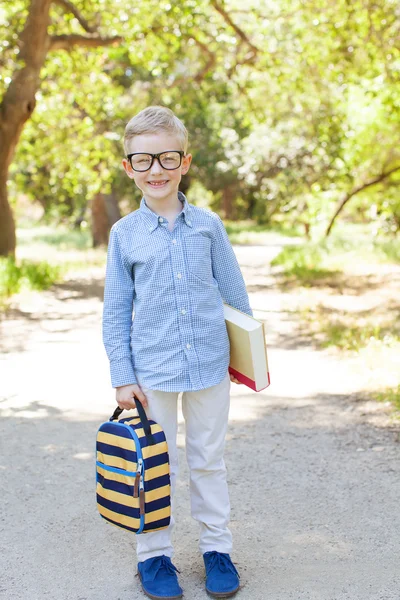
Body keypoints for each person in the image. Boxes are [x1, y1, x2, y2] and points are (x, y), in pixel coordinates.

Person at [102, 106, 253, 600]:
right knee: (153, 464)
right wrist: (122, 377)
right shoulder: (124, 234)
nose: (156, 169)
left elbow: (235, 296)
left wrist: (246, 360)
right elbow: (115, 311)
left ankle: (216, 550)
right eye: (143, 160)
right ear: (129, 167)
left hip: (209, 365)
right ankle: (154, 557)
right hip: (151, 375)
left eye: (167, 157)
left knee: (208, 459)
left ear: (185, 161)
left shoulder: (208, 226)